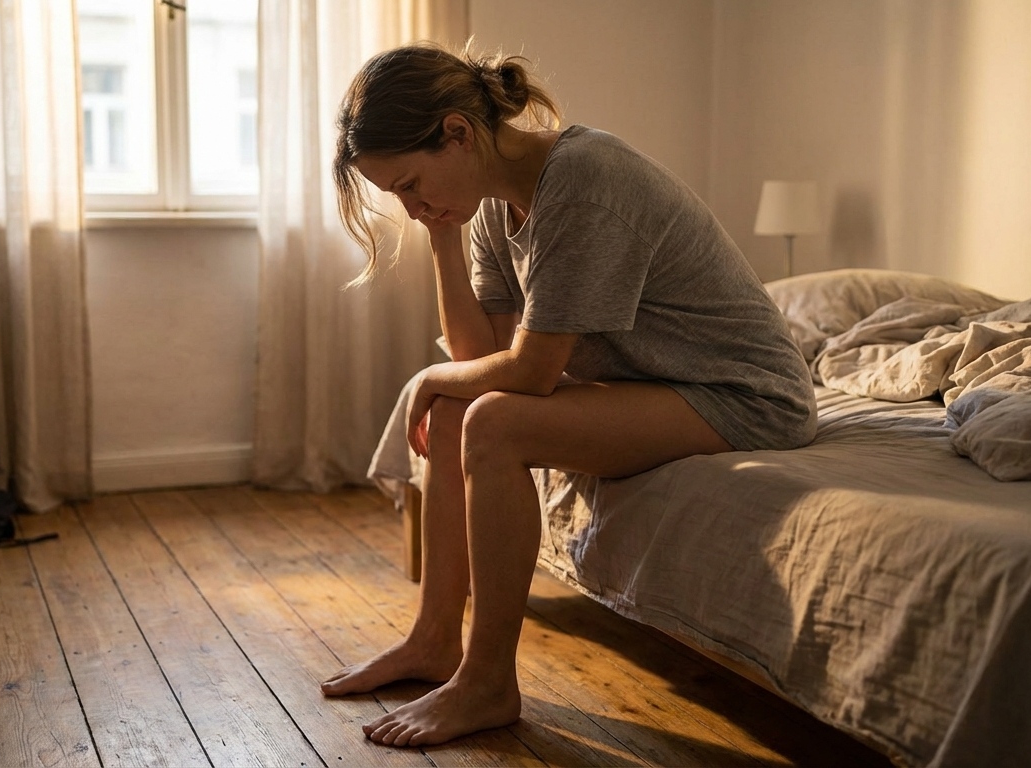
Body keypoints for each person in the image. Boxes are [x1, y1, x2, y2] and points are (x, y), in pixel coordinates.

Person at [324, 42, 817, 748]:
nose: (409, 205)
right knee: (464, 406)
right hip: (656, 383)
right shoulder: (494, 208)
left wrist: (427, 379)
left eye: (409, 185)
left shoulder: (584, 177)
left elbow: (528, 374)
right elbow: (479, 357)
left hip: (747, 394)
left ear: (459, 133)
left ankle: (488, 680)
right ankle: (434, 639)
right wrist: (441, 239)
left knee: (489, 418)